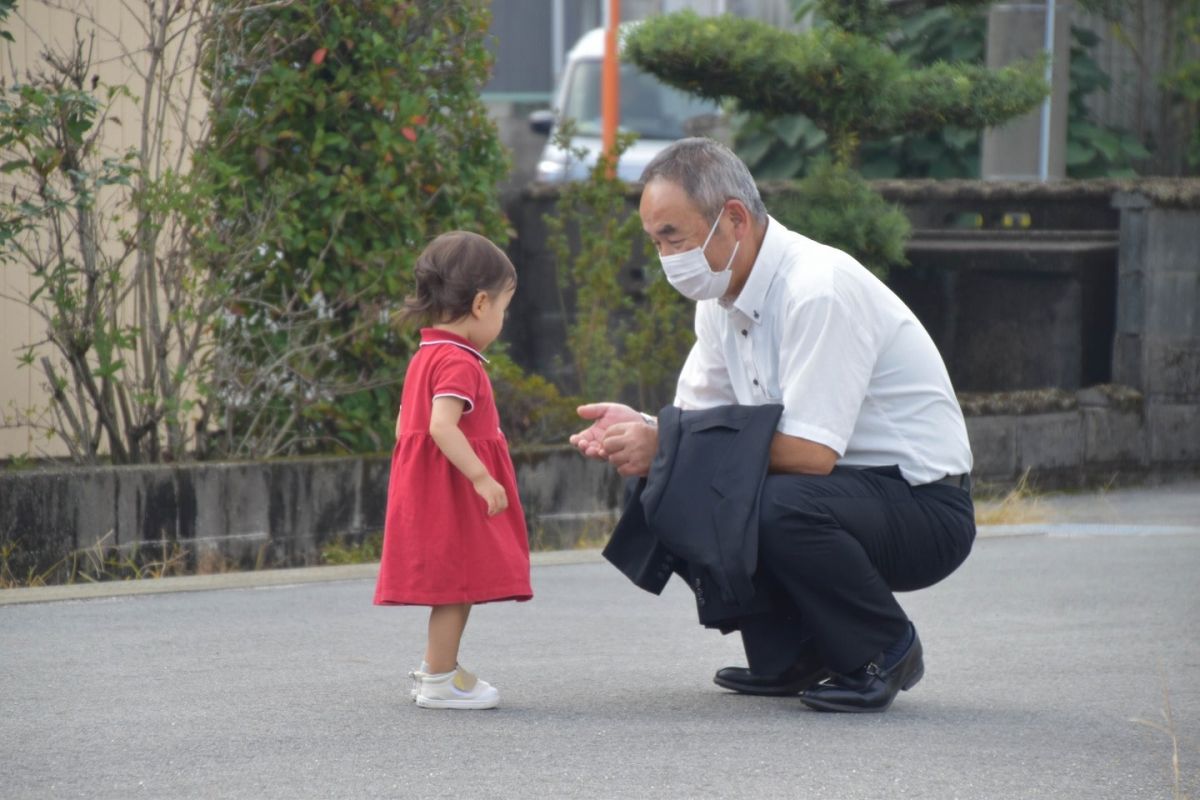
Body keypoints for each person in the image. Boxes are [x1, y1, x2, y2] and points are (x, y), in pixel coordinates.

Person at [570, 138, 975, 713]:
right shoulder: (718, 298)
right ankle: (793, 654)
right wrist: (636, 429)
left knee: (770, 499)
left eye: (673, 237)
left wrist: (668, 441)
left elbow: (812, 454)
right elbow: (694, 421)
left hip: (924, 508)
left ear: (733, 218)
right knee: (668, 474)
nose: (664, 256)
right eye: (655, 241)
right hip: (842, 497)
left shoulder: (818, 288)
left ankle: (885, 649)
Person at [374, 231, 532, 710]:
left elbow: (405, 424)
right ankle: (439, 678)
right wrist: (482, 476)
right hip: (454, 491)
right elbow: (443, 427)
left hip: (430, 489)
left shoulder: (425, 355)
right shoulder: (460, 361)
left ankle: (435, 668)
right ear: (481, 303)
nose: (502, 320)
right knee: (457, 585)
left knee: (454, 584)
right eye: (504, 308)